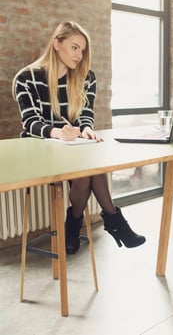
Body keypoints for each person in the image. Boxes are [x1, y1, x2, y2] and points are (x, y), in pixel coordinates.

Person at [12, 21, 146, 254]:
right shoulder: (27, 78)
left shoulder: (86, 77)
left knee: (88, 167)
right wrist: (57, 133)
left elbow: (85, 115)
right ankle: (111, 221)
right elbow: (30, 122)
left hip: (73, 150)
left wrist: (85, 129)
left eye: (82, 50)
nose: (79, 55)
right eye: (74, 47)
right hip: (38, 151)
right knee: (89, 167)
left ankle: (74, 226)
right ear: (56, 44)